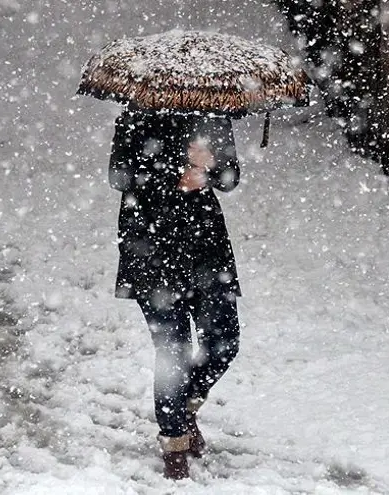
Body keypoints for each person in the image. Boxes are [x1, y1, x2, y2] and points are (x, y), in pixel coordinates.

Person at [108, 105, 241, 480]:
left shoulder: (213, 115)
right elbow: (119, 176)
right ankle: (174, 446)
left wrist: (210, 168)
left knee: (224, 340)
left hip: (206, 249)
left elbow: (230, 178)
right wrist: (177, 171)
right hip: (151, 247)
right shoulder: (136, 117)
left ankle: (182, 409)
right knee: (173, 352)